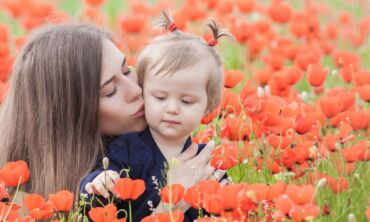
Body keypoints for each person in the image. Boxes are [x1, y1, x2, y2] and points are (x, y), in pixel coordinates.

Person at [0, 23, 216, 206]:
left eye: (127, 70)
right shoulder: (17, 206)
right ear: (71, 118)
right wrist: (174, 201)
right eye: (110, 90)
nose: (136, 90)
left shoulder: (157, 139)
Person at [81, 11, 233, 221]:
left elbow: (228, 208)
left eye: (186, 101)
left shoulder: (207, 160)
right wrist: (99, 183)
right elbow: (93, 196)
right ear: (144, 91)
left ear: (209, 106)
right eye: (160, 98)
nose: (172, 108)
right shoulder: (125, 149)